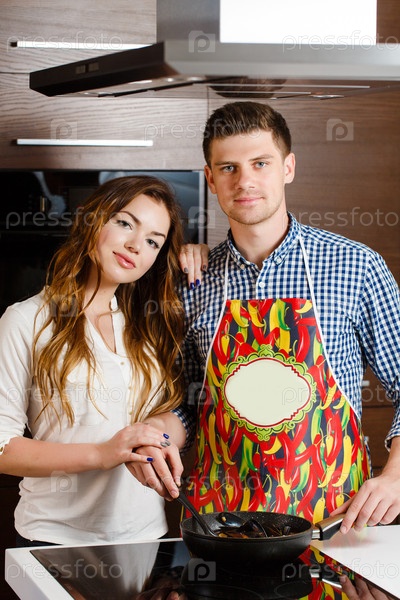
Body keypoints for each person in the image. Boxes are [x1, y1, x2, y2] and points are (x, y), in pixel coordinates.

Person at [130, 101, 400, 536]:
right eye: (229, 168)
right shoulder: (190, 281)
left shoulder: (355, 266)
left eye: (260, 163)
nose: (245, 181)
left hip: (335, 520)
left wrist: (395, 476)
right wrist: (154, 436)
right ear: (211, 179)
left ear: (288, 167)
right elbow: (187, 405)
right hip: (221, 526)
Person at [0, 175, 190, 546]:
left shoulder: (149, 325)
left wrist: (156, 438)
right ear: (91, 218)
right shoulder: (26, 321)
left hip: (146, 537)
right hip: (53, 539)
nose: (136, 245)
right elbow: (3, 448)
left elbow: (175, 414)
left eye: (153, 241)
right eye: (125, 223)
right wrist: (103, 454)